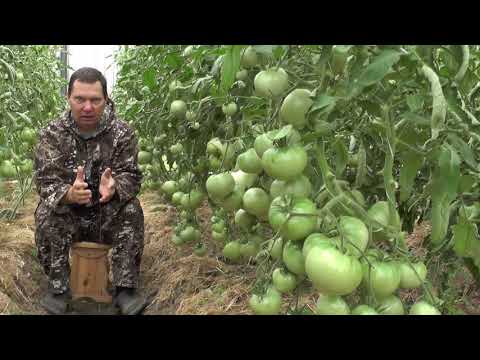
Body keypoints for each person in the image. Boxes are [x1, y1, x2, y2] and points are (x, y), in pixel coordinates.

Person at [34, 67, 149, 315]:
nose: (87, 107)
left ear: (105, 99)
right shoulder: (52, 134)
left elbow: (132, 175)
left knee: (132, 209)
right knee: (46, 212)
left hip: (106, 216)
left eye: (95, 100)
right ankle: (58, 288)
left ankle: (124, 289)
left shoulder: (122, 133)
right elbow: (44, 180)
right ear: (68, 98)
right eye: (80, 99)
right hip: (70, 217)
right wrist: (67, 194)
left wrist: (116, 186)